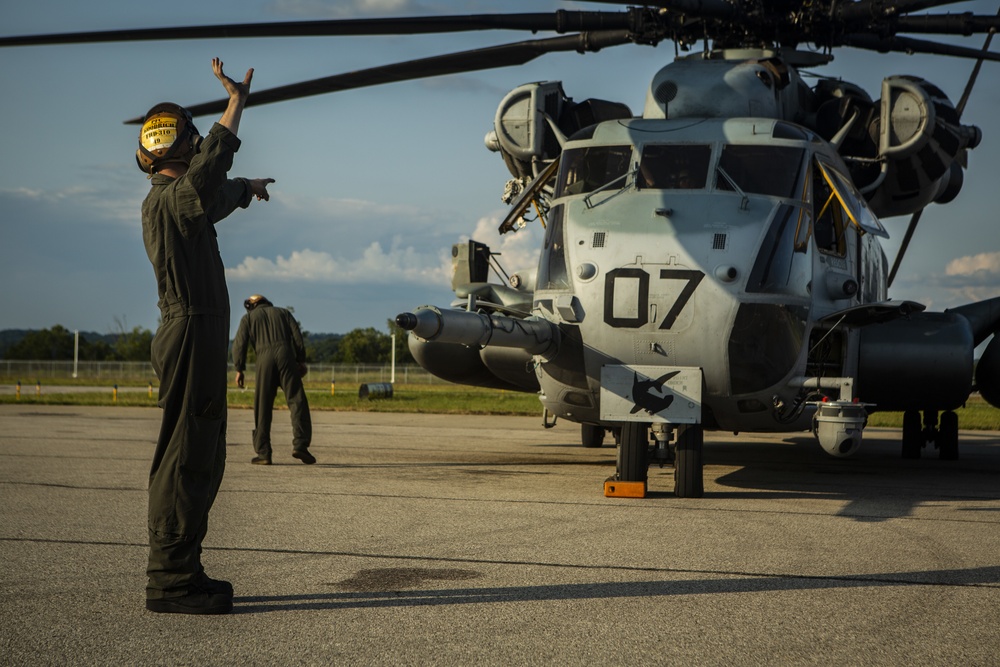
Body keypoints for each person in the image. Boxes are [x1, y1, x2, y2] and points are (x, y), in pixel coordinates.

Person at [139, 57, 275, 615]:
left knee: (201, 450)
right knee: (186, 453)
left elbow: (213, 196)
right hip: (191, 332)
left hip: (196, 333)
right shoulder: (172, 200)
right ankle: (170, 579)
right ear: (185, 147)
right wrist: (235, 104)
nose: (201, 147)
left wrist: (247, 187)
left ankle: (184, 567)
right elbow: (209, 175)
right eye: (196, 142)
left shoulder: (179, 205)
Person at [232, 295, 315, 466]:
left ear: (252, 306)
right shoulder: (284, 313)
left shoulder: (248, 318)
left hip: (264, 360)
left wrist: (239, 369)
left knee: (263, 406)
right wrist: (301, 360)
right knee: (296, 400)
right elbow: (297, 337)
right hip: (286, 357)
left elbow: (239, 344)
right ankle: (300, 444)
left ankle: (264, 453)